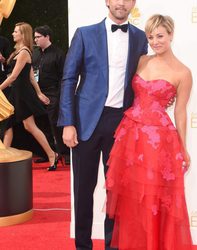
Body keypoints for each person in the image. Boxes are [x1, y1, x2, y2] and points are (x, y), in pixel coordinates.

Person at [57, 0, 148, 249]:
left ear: (133, 3)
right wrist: (68, 122)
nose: (121, 3)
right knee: (83, 190)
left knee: (117, 192)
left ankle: (113, 245)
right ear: (107, 1)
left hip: (122, 124)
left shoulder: (140, 38)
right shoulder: (85, 33)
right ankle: (83, 245)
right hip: (86, 122)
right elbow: (68, 78)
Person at [105, 14, 193, 250]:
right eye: (151, 37)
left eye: (160, 36)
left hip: (158, 142)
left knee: (153, 197)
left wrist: (183, 148)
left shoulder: (183, 73)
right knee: (131, 197)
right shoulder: (142, 60)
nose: (155, 41)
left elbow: (181, 113)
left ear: (171, 35)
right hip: (130, 137)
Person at [0, 22, 58, 171]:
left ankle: (52, 155)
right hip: (18, 93)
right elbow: (32, 77)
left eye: (16, 31)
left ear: (22, 34)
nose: (13, 33)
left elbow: (13, 77)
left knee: (28, 126)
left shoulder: (24, 52)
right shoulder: (20, 51)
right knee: (9, 124)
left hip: (22, 94)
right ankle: (4, 159)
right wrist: (39, 93)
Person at [32, 25, 69, 167]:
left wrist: (59, 95)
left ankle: (64, 153)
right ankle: (49, 153)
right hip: (37, 93)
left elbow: (63, 76)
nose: (35, 40)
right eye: (34, 37)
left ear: (47, 37)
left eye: (38, 37)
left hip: (53, 93)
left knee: (55, 124)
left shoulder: (59, 54)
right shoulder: (34, 53)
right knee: (41, 124)